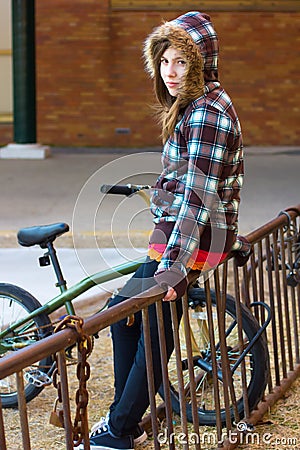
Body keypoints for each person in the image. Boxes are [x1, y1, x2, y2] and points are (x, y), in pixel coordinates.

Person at [77, 11, 251, 450]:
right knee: (124, 316)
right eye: (164, 61)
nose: (170, 73)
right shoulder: (196, 106)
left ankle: (118, 430)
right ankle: (123, 419)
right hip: (185, 231)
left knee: (149, 322)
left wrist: (172, 268)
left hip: (191, 236)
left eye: (182, 63)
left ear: (202, 65)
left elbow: (199, 198)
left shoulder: (207, 115)